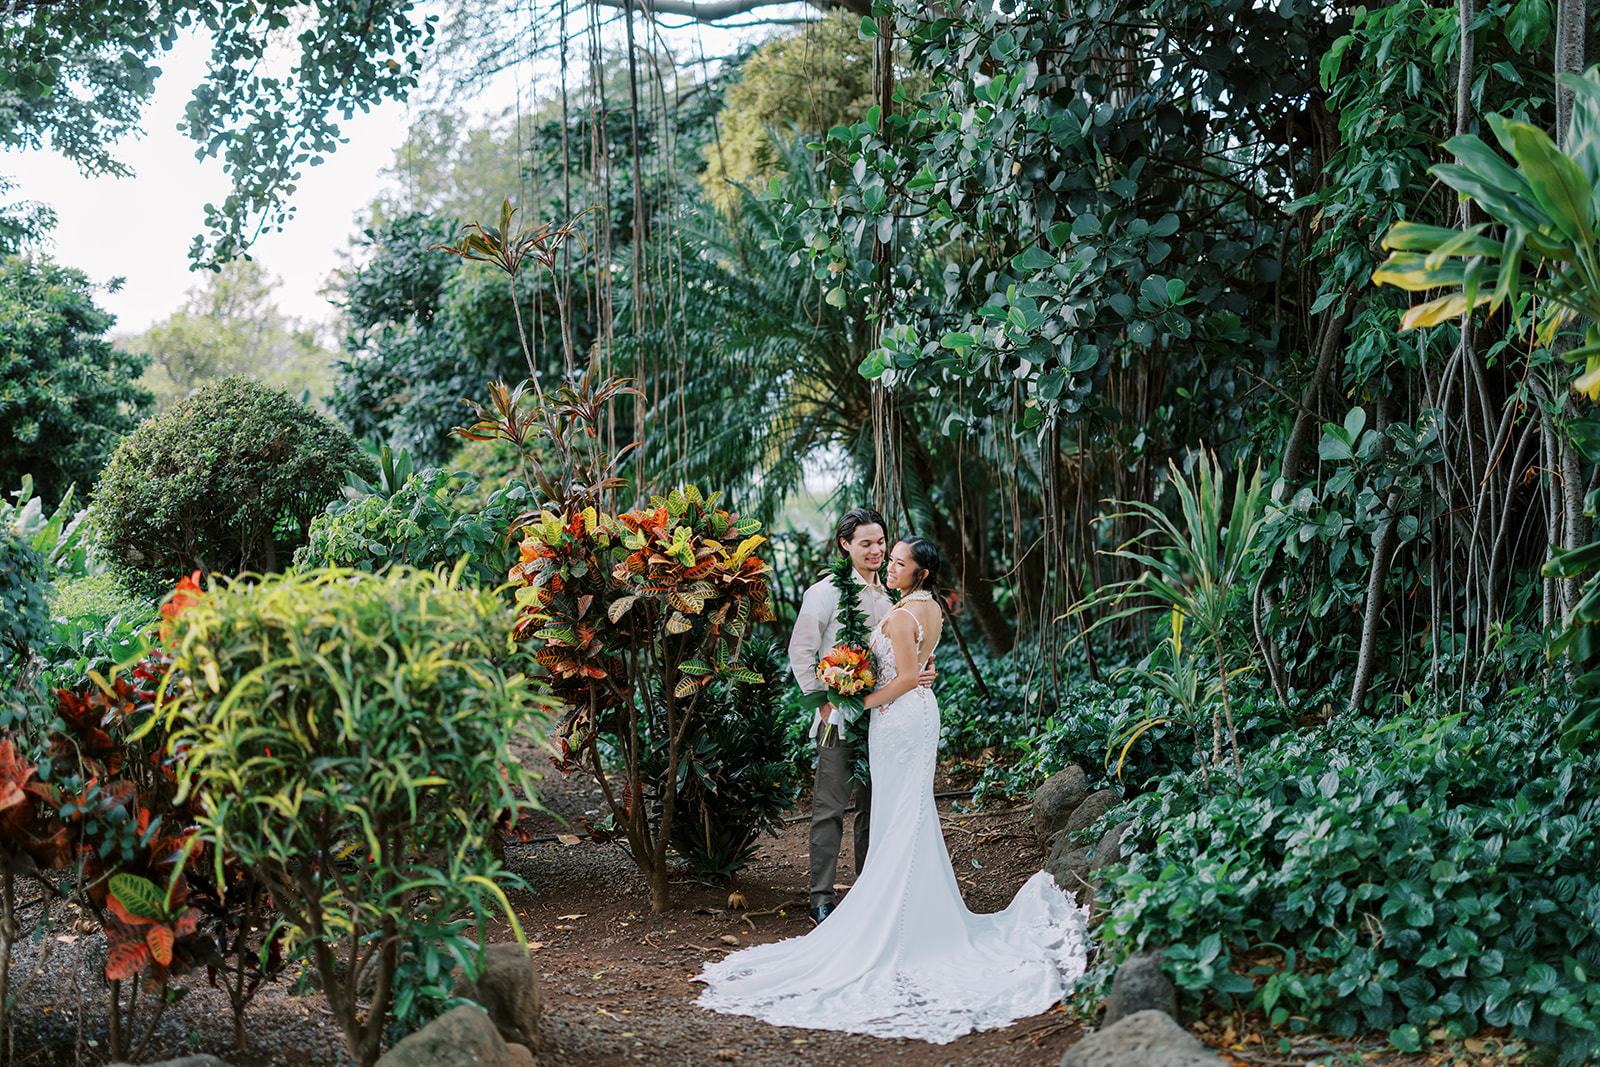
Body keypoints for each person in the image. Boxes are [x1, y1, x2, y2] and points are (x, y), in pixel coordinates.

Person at [697, 537, 1087, 1043]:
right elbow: (896, 663)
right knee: (897, 812)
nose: (888, 559)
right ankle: (880, 900)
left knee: (900, 813)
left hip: (896, 718)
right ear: (848, 546)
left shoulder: (902, 610)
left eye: (898, 556)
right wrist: (838, 697)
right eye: (883, 550)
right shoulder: (903, 603)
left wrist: (861, 701)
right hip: (898, 717)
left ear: (919, 572)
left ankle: (893, 912)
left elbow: (904, 674)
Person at [786, 507, 909, 925]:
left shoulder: (894, 595)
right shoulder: (824, 593)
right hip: (837, 719)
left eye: (880, 542)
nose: (876, 551)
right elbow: (800, 652)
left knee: (875, 806)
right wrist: (822, 704)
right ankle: (821, 896)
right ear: (845, 545)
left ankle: (869, 888)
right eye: (866, 544)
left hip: (884, 716)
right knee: (829, 807)